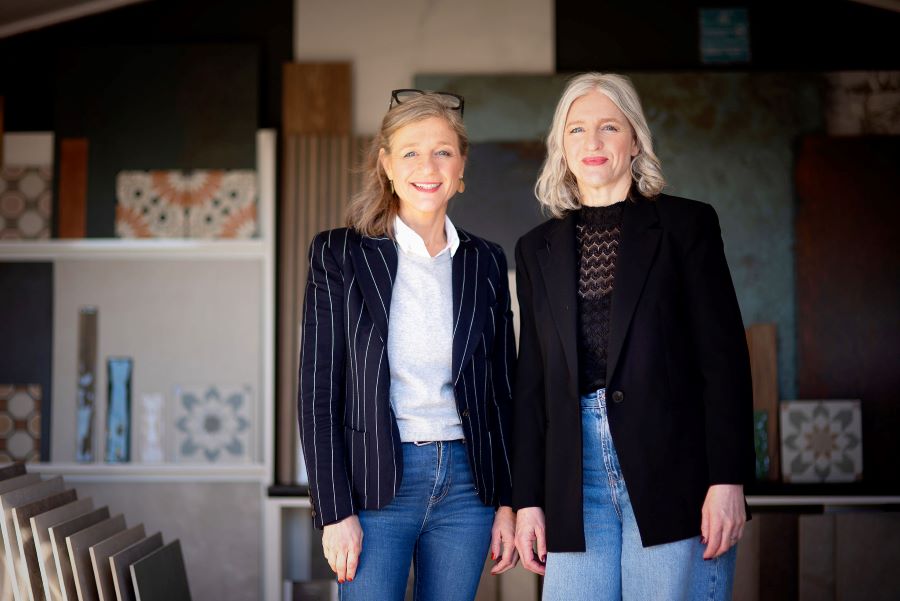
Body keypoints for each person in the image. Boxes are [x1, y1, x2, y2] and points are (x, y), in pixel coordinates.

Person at [511, 73, 755, 600]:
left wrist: (728, 479)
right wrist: (527, 498)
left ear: (635, 139)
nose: (592, 143)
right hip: (575, 483)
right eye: (577, 130)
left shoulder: (686, 226)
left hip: (674, 474)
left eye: (608, 127)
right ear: (561, 146)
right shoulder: (536, 249)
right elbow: (532, 381)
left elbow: (725, 360)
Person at [298, 89, 518, 601]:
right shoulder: (340, 253)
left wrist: (508, 500)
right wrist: (334, 511)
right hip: (375, 483)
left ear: (461, 165)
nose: (428, 165)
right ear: (386, 165)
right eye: (410, 152)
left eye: (443, 151)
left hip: (468, 486)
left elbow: (503, 392)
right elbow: (317, 390)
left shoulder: (485, 261)